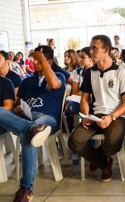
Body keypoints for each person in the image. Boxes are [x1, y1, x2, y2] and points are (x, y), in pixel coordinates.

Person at [0, 46, 66, 202]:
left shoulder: (57, 76)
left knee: (29, 135)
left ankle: (26, 188)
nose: (35, 62)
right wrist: (18, 108)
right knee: (3, 113)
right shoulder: (28, 80)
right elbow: (18, 102)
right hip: (26, 118)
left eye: (39, 60)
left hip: (47, 119)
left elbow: (55, 85)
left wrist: (43, 61)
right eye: (35, 59)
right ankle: (33, 130)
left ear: (48, 61)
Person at [68, 35, 125, 182]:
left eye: (94, 48)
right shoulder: (90, 72)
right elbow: (85, 98)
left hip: (115, 116)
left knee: (114, 142)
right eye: (90, 48)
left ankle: (98, 159)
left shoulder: (120, 72)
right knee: (74, 141)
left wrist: (111, 117)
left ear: (106, 49)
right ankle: (104, 163)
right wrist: (85, 115)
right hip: (95, 115)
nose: (91, 51)